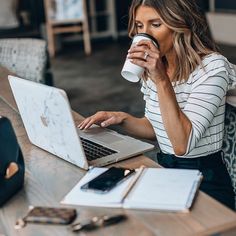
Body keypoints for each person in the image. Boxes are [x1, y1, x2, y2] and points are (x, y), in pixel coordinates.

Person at [78, 0, 236, 209]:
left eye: (155, 24)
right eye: (140, 26)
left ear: (179, 26)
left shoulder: (212, 68)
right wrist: (122, 119)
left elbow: (181, 144)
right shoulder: (158, 66)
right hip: (167, 171)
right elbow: (158, 129)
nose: (145, 34)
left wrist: (161, 79)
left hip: (206, 180)